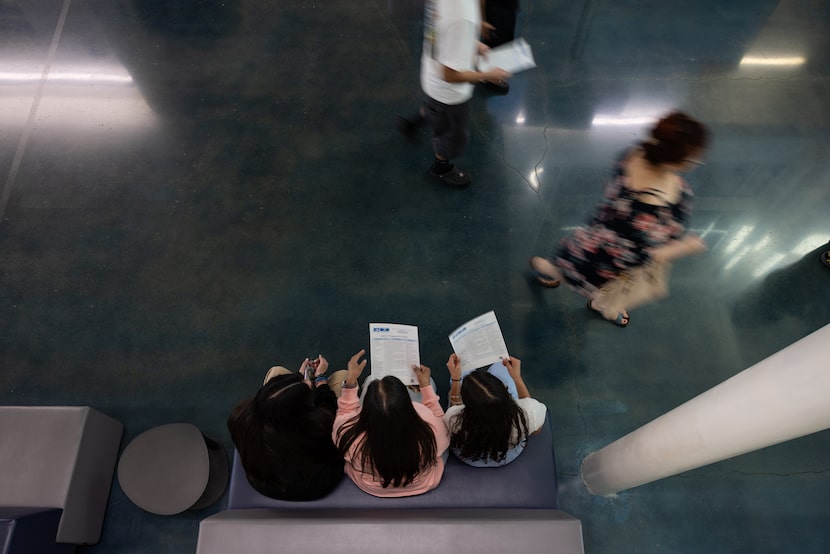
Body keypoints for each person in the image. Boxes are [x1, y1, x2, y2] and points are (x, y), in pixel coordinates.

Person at [529, 110, 710, 327]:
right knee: (610, 292)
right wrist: (689, 246)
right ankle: (603, 307)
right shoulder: (656, 207)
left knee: (574, 263)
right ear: (674, 162)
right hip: (614, 262)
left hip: (595, 238)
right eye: (693, 158)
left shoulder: (633, 155)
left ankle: (550, 269)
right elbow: (653, 253)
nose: (696, 161)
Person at [396, 0, 511, 188]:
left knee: (434, 109)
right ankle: (441, 168)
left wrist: (471, 43)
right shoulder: (461, 17)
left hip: (431, 77)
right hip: (449, 94)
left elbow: (441, 34)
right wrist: (488, 74)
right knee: (452, 134)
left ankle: (411, 124)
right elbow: (449, 74)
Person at [227, 356, 348, 501]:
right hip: (317, 484)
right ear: (298, 413)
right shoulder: (316, 427)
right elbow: (329, 408)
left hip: (266, 485)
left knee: (277, 371)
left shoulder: (240, 418)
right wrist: (320, 380)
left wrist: (297, 377)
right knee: (342, 376)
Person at [333, 350, 450, 497]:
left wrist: (350, 380)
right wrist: (425, 387)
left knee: (370, 379)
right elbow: (440, 419)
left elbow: (343, 414)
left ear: (366, 409)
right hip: (421, 483)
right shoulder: (430, 425)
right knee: (430, 382)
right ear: (409, 404)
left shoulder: (348, 434)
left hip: (371, 486)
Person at [444, 354, 546, 467]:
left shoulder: (454, 419)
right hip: (507, 455)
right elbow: (536, 431)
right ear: (505, 393)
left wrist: (456, 380)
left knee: (463, 370)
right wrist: (517, 378)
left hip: (471, 456)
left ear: (466, 404)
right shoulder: (526, 413)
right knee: (500, 366)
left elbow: (455, 403)